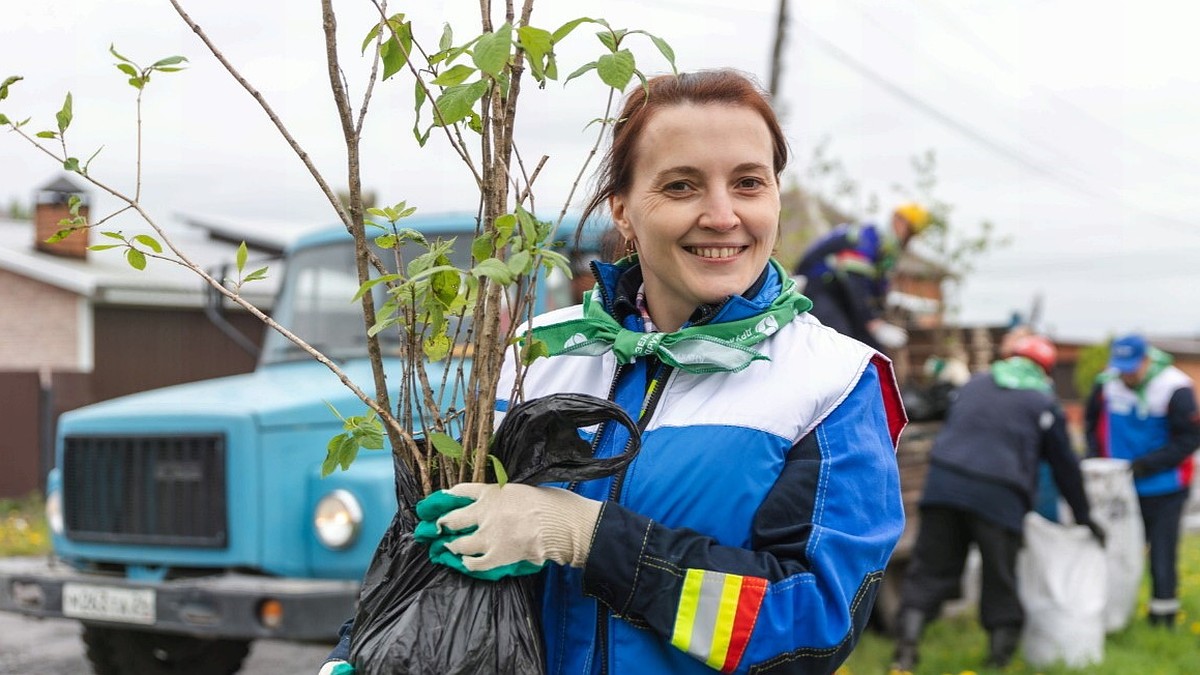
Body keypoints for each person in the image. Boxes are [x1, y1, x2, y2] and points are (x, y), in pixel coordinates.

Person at [321, 69, 908, 674]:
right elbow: (436, 545)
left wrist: (591, 538)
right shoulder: (536, 355)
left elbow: (813, 627)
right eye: (681, 186)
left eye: (749, 183)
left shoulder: (833, 382)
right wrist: (357, 650)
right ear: (623, 210)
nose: (723, 215)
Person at [890, 335, 1102, 671]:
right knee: (999, 577)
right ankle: (998, 661)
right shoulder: (1043, 402)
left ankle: (905, 651)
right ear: (1044, 370)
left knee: (930, 569)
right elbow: (1065, 467)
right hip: (999, 495)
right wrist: (1085, 516)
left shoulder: (977, 382)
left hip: (944, 484)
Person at [1085, 333, 1200, 628]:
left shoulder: (1175, 388)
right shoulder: (1106, 384)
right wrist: (1098, 461)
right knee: (1114, 553)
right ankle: (1109, 615)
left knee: (1162, 555)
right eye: (1121, 367)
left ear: (1146, 360)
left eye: (1132, 368)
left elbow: (1189, 439)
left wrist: (1145, 466)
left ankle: (1163, 617)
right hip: (1117, 487)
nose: (1126, 375)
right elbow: (1091, 425)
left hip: (1165, 487)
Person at [791, 202, 930, 352]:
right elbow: (855, 281)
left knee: (871, 349)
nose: (909, 238)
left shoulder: (886, 249)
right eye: (910, 231)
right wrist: (872, 322)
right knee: (840, 340)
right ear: (898, 220)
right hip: (820, 287)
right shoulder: (868, 237)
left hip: (842, 294)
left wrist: (878, 319)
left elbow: (876, 290)